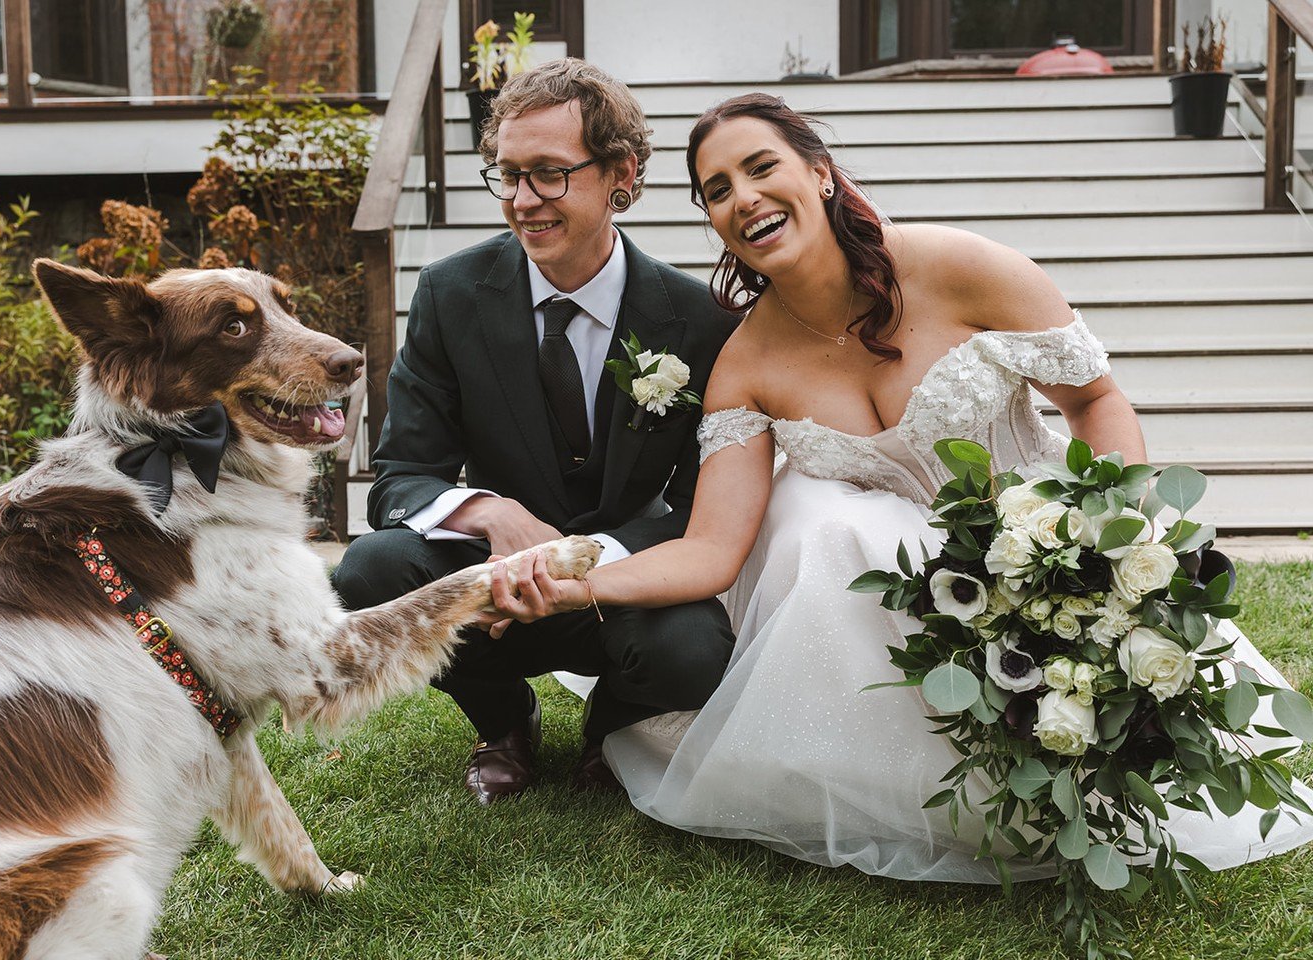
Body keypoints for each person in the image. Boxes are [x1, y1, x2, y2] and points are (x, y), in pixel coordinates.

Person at [484, 93, 1313, 880]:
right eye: (717, 190)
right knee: (819, 514)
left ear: (818, 170)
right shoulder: (747, 363)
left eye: (761, 167)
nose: (744, 198)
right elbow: (708, 550)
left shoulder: (960, 266)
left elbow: (1095, 399)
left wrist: (1104, 533)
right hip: (880, 611)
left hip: (1042, 542)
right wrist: (571, 585)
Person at [331, 59, 739, 805]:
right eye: (507, 175)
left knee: (693, 648)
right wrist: (492, 514)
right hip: (497, 584)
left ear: (622, 173)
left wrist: (595, 566)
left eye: (548, 174)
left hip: (625, 582)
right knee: (369, 570)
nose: (522, 201)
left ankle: (611, 734)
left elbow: (704, 506)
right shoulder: (452, 294)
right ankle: (503, 720)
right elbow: (400, 477)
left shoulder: (699, 318)